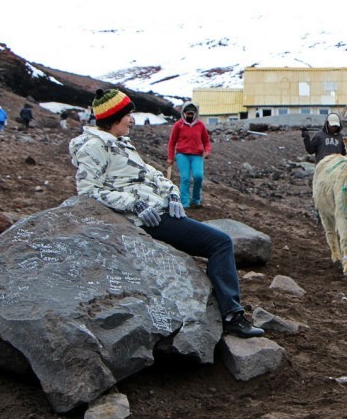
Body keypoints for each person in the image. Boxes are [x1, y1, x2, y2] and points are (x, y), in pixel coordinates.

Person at [69, 88, 264, 338]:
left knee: (217, 241)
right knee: (220, 243)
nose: (132, 120)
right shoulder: (94, 147)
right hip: (146, 217)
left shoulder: (120, 143)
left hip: (157, 209)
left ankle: (229, 311)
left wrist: (171, 192)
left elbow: (151, 173)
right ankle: (231, 316)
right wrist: (133, 204)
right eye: (128, 114)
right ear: (114, 118)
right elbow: (87, 191)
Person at [167, 102, 211, 209]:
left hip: (197, 155)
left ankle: (196, 200)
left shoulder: (200, 125)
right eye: (188, 114)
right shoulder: (178, 125)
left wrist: (207, 151)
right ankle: (185, 203)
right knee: (185, 178)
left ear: (195, 114)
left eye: (192, 114)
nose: (190, 116)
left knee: (198, 176)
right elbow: (172, 142)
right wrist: (170, 157)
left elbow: (206, 141)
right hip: (182, 155)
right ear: (184, 113)